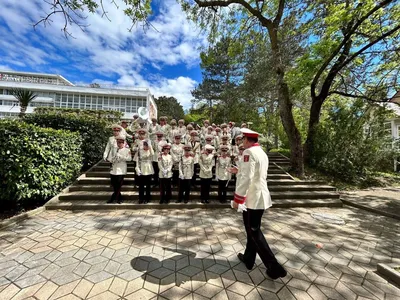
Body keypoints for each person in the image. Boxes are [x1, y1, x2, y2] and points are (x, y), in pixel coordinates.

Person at [230, 128, 287, 280]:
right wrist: (239, 170)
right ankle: (249, 259)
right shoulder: (261, 152)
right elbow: (254, 173)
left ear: (247, 140)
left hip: (252, 198)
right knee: (251, 230)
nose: (242, 142)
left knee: (254, 231)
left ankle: (274, 267)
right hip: (259, 196)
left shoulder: (248, 153)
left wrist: (238, 199)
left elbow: (247, 178)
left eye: (243, 139)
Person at [107, 135, 132, 203]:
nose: (119, 144)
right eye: (118, 143)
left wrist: (120, 156)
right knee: (114, 185)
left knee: (118, 184)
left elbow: (129, 159)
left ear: (123, 143)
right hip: (113, 169)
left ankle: (115, 198)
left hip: (121, 169)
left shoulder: (127, 150)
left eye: (121, 143)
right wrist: (112, 159)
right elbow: (109, 158)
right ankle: (118, 197)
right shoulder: (113, 150)